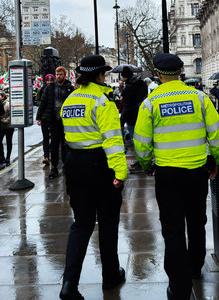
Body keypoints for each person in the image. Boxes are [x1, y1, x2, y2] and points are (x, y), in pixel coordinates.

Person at [134, 53, 219, 300]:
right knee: (197, 222)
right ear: (180, 72)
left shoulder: (150, 102)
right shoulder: (199, 97)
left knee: (172, 228)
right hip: (197, 172)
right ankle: (195, 267)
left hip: (167, 174)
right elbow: (217, 136)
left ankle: (178, 284)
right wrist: (214, 161)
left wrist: (146, 164)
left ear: (159, 74)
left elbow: (141, 143)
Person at [59, 55, 128, 299]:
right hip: (100, 164)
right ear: (100, 75)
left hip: (75, 165)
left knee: (81, 224)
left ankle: (69, 284)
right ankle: (110, 275)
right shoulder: (103, 100)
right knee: (108, 223)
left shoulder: (70, 99)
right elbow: (112, 139)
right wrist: (120, 172)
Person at [36, 67, 74, 178]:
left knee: (65, 144)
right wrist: (39, 117)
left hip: (66, 121)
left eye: (61, 74)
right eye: (57, 74)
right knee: (54, 144)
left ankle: (65, 166)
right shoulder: (50, 88)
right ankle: (54, 167)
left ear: (64, 75)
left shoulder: (69, 88)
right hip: (53, 119)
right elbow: (43, 102)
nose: (58, 76)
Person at [120, 66, 148, 172]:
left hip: (132, 117)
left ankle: (140, 162)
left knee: (134, 140)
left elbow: (127, 106)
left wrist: (122, 121)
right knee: (142, 140)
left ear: (124, 77)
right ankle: (144, 159)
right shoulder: (141, 83)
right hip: (142, 114)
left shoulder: (128, 88)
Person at [35, 74, 55, 165]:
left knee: (54, 137)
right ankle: (46, 156)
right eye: (48, 81)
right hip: (44, 116)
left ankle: (51, 154)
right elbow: (37, 101)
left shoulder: (55, 89)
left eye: (51, 81)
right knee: (46, 137)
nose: (49, 82)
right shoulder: (41, 90)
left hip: (54, 116)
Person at [0, 91, 14, 165]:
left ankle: (8, 157)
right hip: (0, 126)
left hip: (8, 126)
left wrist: (6, 120)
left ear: (3, 97)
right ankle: (2, 156)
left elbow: (11, 114)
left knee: (8, 142)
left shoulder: (7, 104)